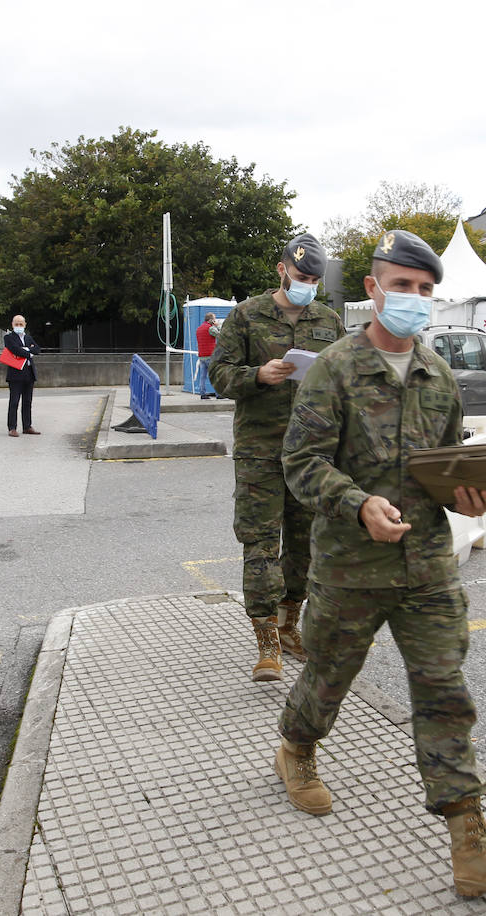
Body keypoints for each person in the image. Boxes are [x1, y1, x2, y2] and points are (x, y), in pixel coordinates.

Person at [274, 231, 486, 901]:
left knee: (445, 696)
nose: (414, 300)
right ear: (372, 289)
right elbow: (301, 465)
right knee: (329, 676)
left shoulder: (437, 373)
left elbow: (446, 462)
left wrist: (468, 495)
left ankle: (471, 848)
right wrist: (358, 502)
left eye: (425, 291)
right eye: (403, 286)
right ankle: (296, 748)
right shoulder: (333, 369)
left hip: (425, 565)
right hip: (349, 568)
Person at [208, 233, 344, 681]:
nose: (306, 285)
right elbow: (219, 374)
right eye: (300, 276)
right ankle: (266, 644)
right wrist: (258, 375)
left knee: (305, 547)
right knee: (260, 545)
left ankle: (289, 628)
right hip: (260, 453)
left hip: (311, 454)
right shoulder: (247, 316)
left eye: (314, 280)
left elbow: (345, 378)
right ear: (281, 269)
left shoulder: (327, 320)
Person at [3, 315, 42, 437]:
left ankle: (27, 426)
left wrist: (27, 350)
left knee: (27, 401)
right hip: (15, 374)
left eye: (21, 324)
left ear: (25, 325)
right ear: (12, 324)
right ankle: (12, 427)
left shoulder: (28, 337)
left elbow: (37, 349)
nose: (19, 326)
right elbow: (15, 349)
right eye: (16, 324)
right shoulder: (9, 337)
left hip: (29, 373)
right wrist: (28, 351)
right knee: (14, 401)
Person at [195, 312, 219, 399]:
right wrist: (217, 326)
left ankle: (202, 393)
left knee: (203, 376)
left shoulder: (199, 329)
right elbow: (219, 334)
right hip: (210, 355)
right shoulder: (211, 328)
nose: (215, 320)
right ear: (211, 320)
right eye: (214, 319)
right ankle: (218, 394)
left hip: (201, 355)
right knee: (214, 375)